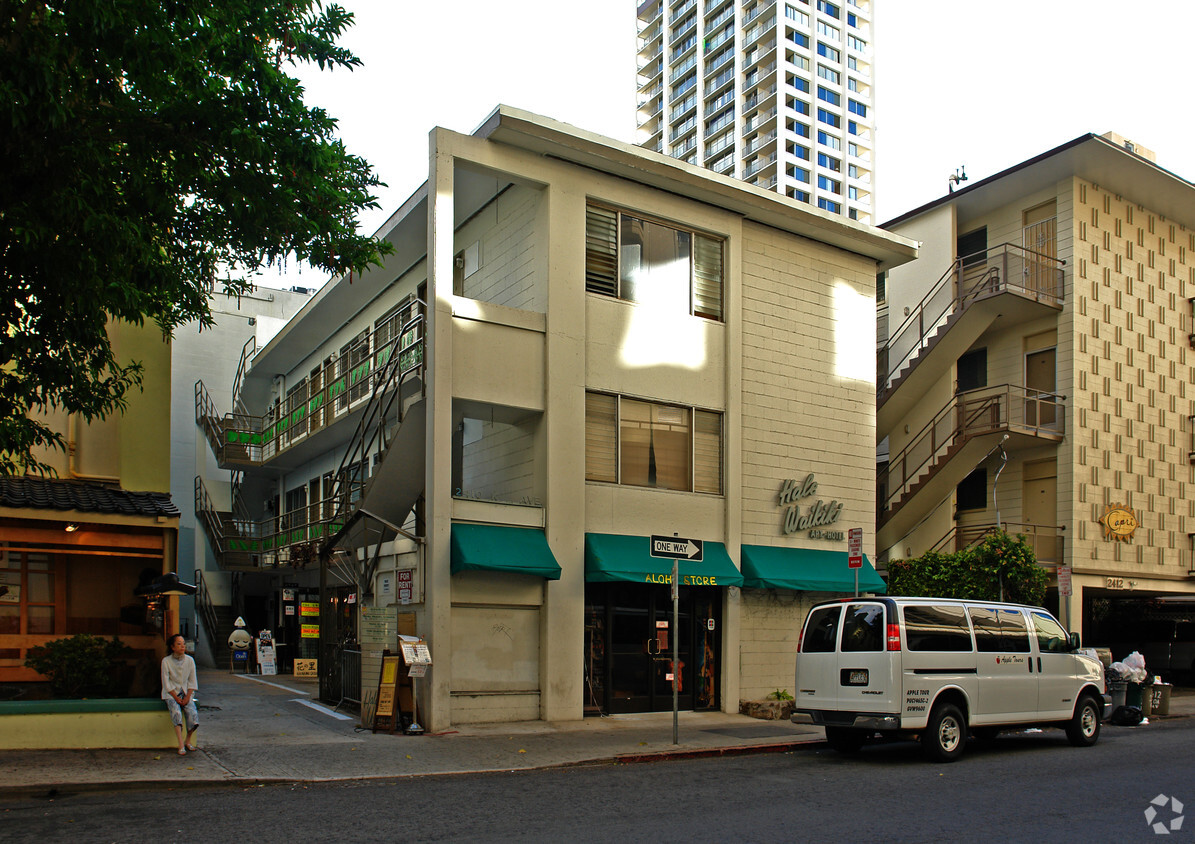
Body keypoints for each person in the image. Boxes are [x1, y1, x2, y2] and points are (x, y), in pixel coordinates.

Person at [161, 633, 199, 755]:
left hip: (185, 691)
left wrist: (188, 696)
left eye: (183, 643)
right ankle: (180, 743)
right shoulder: (166, 661)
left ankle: (188, 740)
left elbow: (192, 680)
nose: (182, 646)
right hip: (171, 693)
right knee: (176, 713)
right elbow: (166, 682)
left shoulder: (190, 660)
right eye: (179, 644)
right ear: (172, 647)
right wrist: (176, 697)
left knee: (192, 713)